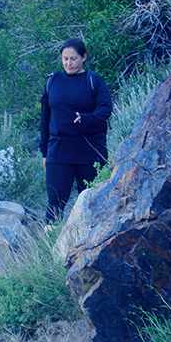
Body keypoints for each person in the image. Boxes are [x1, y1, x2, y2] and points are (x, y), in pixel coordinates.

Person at [39, 38, 113, 225]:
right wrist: (44, 152)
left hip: (90, 150)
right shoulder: (52, 81)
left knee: (91, 203)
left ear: (83, 57)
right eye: (65, 59)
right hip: (59, 149)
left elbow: (105, 109)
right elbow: (45, 118)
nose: (68, 63)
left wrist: (86, 118)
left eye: (73, 59)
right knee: (55, 203)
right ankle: (51, 246)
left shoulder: (93, 80)